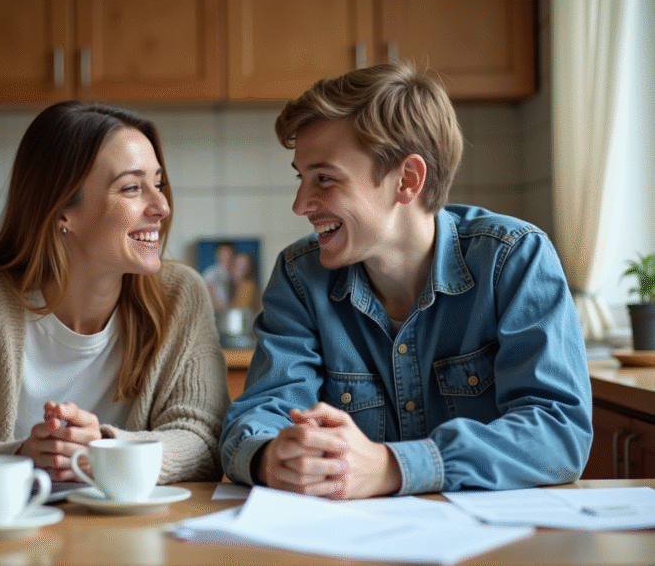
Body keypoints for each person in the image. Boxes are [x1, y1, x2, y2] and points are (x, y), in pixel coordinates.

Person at [220, 62, 593, 499]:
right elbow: (260, 415)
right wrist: (271, 457)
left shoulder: (513, 259)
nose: (301, 203)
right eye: (301, 178)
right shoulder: (300, 277)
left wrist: (393, 467)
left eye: (324, 178)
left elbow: (557, 432)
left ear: (407, 180)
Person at [0, 101, 229, 484]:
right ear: (63, 212)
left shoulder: (181, 296)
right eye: (131, 188)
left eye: (158, 183)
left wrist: (106, 452)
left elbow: (205, 441)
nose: (162, 205)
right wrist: (22, 455)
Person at [203, 242, 235, 311]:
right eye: (223, 254)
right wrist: (221, 309)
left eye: (229, 253)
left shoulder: (234, 272)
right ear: (217, 255)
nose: (227, 257)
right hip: (217, 311)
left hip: (231, 310)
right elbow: (208, 292)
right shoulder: (211, 272)